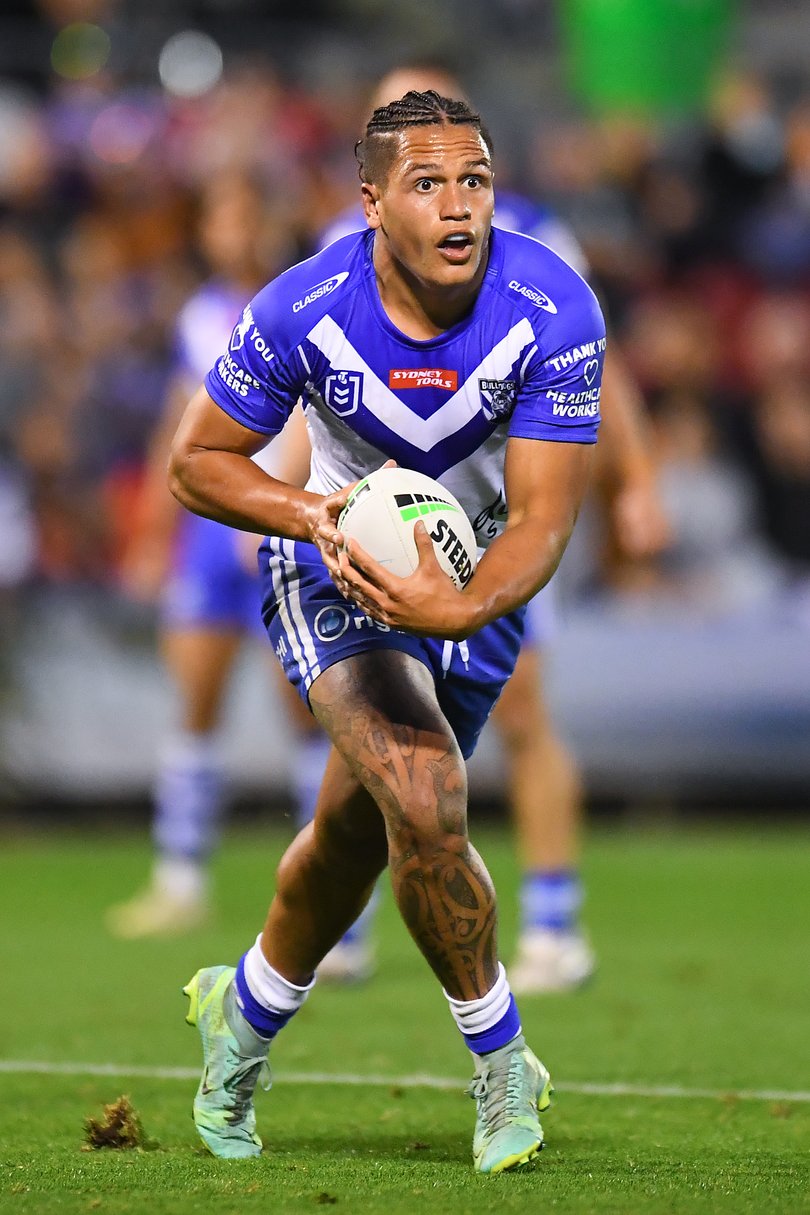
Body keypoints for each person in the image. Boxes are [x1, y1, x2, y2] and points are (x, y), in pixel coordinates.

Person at [169, 90, 605, 1173]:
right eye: (427, 184)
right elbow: (196, 461)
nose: (459, 206)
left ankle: (245, 1013)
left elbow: (545, 517)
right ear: (370, 202)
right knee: (425, 793)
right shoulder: (301, 308)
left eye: (476, 181)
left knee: (358, 837)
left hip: (475, 582)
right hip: (336, 574)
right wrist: (313, 515)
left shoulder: (553, 309)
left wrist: (459, 605)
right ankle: (503, 1063)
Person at [313, 63, 670, 992]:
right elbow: (304, 395)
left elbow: (600, 369)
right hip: (380, 518)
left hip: (496, 519)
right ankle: (341, 920)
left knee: (523, 710)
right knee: (372, 725)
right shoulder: (337, 246)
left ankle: (554, 916)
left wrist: (635, 479)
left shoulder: (535, 244)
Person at [106, 173, 331, 939]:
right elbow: (181, 419)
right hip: (210, 535)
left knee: (308, 708)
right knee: (196, 698)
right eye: (222, 220)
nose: (234, 235)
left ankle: (331, 886)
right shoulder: (200, 315)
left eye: (247, 218)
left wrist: (269, 501)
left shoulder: (306, 305)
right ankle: (179, 877)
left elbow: (315, 412)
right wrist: (150, 530)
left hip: (284, 522)